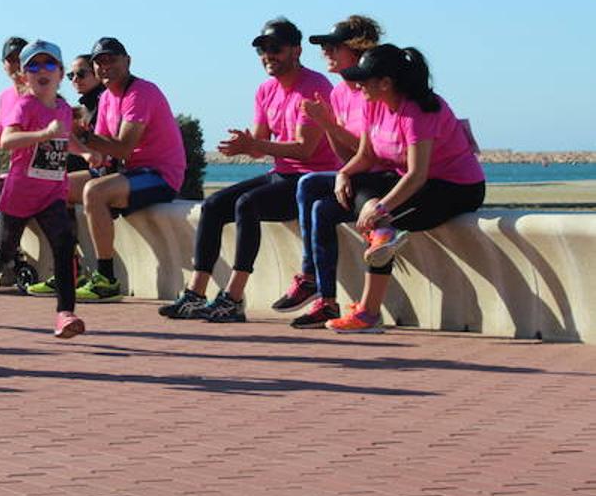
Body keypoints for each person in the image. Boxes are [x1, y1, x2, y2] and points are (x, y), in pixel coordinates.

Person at [162, 18, 339, 323]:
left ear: (296, 51)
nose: (267, 55)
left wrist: (255, 144)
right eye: (262, 50)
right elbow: (260, 146)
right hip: (282, 174)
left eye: (275, 48)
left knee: (248, 204)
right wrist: (244, 146)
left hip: (309, 179)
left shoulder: (315, 86)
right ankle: (195, 293)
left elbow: (305, 149)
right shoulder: (265, 90)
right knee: (214, 205)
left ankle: (233, 298)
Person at [322, 45, 485, 333]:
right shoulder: (373, 103)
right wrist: (343, 174)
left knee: (383, 223)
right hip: (412, 181)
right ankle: (383, 236)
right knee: (360, 193)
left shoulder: (419, 112)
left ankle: (368, 314)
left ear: (386, 83)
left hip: (456, 187)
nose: (358, 86)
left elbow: (416, 175)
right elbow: (368, 157)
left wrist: (381, 207)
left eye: (364, 79)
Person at [0, 41, 87, 338]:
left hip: (52, 192)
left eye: (49, 64)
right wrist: (43, 134)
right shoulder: (25, 105)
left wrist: (86, 152)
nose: (42, 71)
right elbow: (8, 140)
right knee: (3, 253)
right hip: (20, 194)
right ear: (24, 76)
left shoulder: (64, 108)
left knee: (64, 246)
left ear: (61, 73)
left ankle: (65, 314)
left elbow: (64, 139)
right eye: (34, 66)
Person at [272, 16, 384, 327]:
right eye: (324, 47)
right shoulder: (338, 94)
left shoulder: (371, 91)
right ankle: (324, 297)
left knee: (311, 188)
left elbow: (371, 150)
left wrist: (328, 125)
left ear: (357, 50)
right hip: (358, 175)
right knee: (313, 196)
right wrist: (327, 126)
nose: (326, 53)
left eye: (333, 47)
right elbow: (345, 154)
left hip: (380, 178)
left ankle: (316, 286)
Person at [61, 37, 184, 301]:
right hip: (129, 175)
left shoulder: (141, 92)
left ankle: (106, 280)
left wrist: (83, 136)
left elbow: (123, 148)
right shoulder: (106, 98)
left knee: (94, 192)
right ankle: (72, 269)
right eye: (99, 62)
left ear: (127, 61)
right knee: (59, 187)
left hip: (159, 176)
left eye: (111, 60)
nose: (105, 66)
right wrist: (76, 141)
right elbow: (104, 151)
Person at [64, 54, 104, 174]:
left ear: (97, 73)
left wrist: (81, 134)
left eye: (81, 74)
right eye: (71, 75)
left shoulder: (105, 103)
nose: (75, 79)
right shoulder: (82, 109)